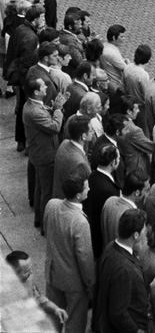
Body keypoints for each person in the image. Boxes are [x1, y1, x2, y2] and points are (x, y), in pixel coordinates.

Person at [43, 172, 95, 333]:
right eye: (86, 188)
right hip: (74, 283)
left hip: (52, 274)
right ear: (79, 195)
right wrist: (90, 284)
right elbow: (85, 258)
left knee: (53, 319)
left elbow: (47, 230)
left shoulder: (51, 205)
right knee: (74, 323)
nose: (89, 189)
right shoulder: (80, 221)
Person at [24, 75, 68, 229]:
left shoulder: (33, 105)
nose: (46, 88)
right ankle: (45, 224)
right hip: (45, 155)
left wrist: (55, 106)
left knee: (40, 187)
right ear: (36, 92)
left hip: (39, 153)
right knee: (47, 191)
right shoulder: (34, 111)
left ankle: (39, 218)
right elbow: (55, 127)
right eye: (43, 86)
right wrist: (57, 109)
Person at [6, 251, 69, 325]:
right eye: (27, 271)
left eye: (30, 269)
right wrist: (28, 287)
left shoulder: (26, 280)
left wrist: (56, 309)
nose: (31, 273)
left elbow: (40, 300)